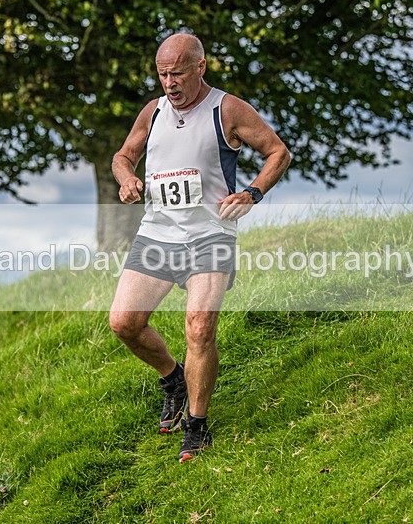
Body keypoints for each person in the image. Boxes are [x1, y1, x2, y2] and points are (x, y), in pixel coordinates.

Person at [108, 33, 290, 462]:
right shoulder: (152, 112)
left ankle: (196, 425)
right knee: (124, 323)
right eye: (162, 74)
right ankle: (172, 379)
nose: (169, 83)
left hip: (211, 236)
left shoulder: (227, 109)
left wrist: (252, 192)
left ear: (201, 67)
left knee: (200, 328)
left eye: (178, 73)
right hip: (158, 233)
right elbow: (123, 156)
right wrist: (126, 179)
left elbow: (277, 152)